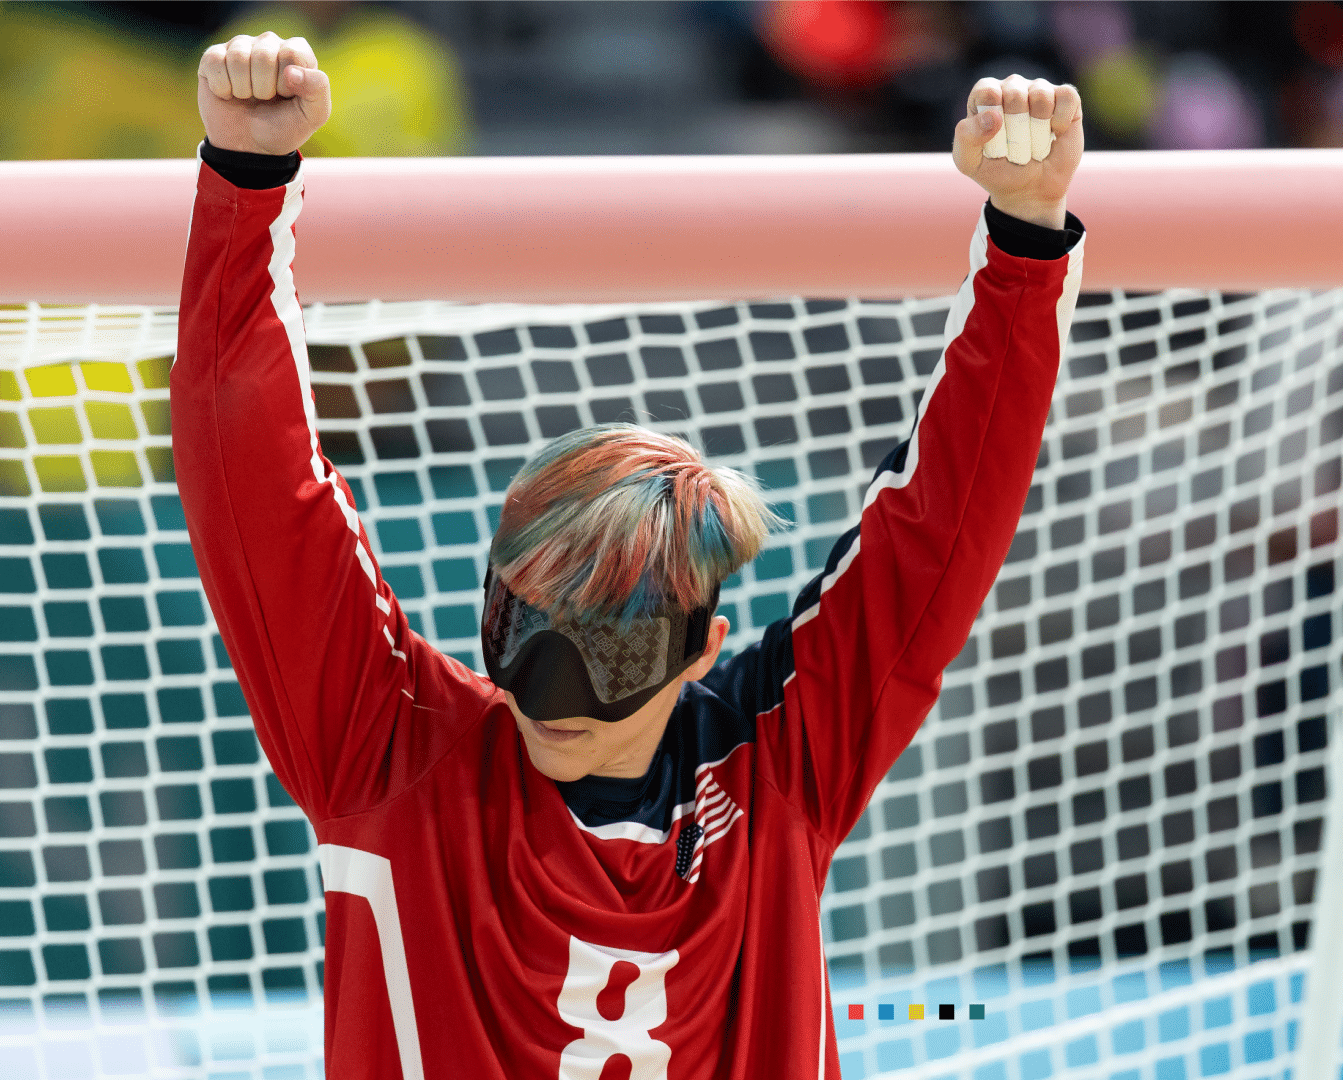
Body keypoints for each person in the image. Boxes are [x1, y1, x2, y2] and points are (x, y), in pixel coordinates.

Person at [173, 31, 1085, 1080]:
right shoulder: (391, 749)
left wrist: (1024, 235)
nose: (549, 687)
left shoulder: (779, 766)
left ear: (703, 650)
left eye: (611, 644)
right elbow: (250, 475)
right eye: (523, 625)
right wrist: (247, 175)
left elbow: (943, 527)